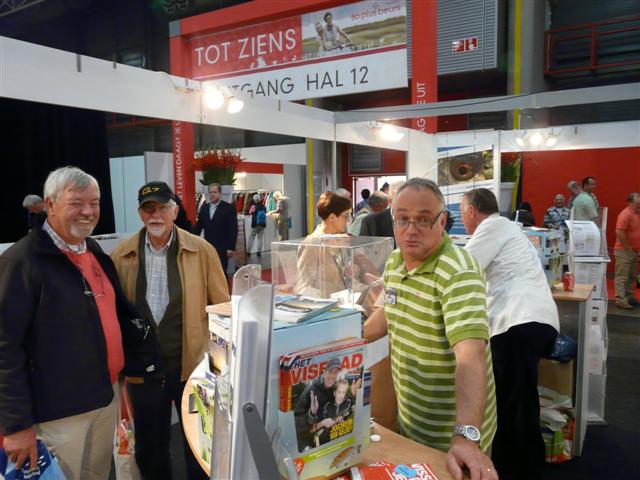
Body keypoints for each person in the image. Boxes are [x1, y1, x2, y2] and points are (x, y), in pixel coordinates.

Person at [0, 166, 158, 479]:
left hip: (104, 399)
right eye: (76, 203)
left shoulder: (94, 252)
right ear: (50, 205)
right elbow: (4, 347)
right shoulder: (22, 262)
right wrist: (16, 425)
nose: (88, 212)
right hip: (58, 415)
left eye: (94, 203)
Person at [364, 178, 498, 480]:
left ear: (442, 221)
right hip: (413, 420)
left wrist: (466, 437)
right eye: (403, 219)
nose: (411, 230)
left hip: (453, 435)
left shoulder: (458, 271)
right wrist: (340, 339)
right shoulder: (395, 262)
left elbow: (470, 355)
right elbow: (386, 315)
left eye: (423, 220)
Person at [111, 180, 230, 480]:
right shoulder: (122, 255)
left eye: (162, 207)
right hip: (143, 373)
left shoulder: (201, 251)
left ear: (175, 211)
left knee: (200, 446)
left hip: (193, 368)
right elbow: (116, 314)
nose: (156, 215)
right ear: (140, 213)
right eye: (148, 208)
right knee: (150, 449)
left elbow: (222, 311)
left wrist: (220, 367)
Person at [460, 188, 559, 480]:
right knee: (515, 399)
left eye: (462, 212)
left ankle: (522, 470)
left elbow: (461, 269)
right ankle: (514, 465)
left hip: (518, 321)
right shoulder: (508, 228)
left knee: (515, 403)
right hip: (532, 320)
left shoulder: (492, 227)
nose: (462, 219)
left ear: (471, 211)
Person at [296, 192, 352, 297]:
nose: (348, 220)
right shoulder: (311, 244)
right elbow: (305, 285)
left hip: (341, 301)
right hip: (324, 303)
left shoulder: (339, 239)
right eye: (345, 216)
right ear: (332, 217)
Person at [194, 182, 238, 275]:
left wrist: (231, 247)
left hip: (222, 247)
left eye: (215, 192)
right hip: (208, 246)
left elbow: (233, 229)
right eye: (210, 192)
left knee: (221, 273)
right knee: (209, 273)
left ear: (220, 193)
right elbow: (198, 227)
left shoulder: (228, 208)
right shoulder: (204, 208)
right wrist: (192, 240)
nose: (212, 194)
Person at [613, 192, 640, 309]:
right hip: (624, 251)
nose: (639, 206)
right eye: (637, 204)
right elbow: (619, 232)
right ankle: (620, 299)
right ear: (630, 202)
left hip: (635, 250)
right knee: (622, 276)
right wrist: (627, 247)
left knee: (632, 276)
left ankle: (629, 296)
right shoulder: (625, 214)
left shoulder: (637, 213)